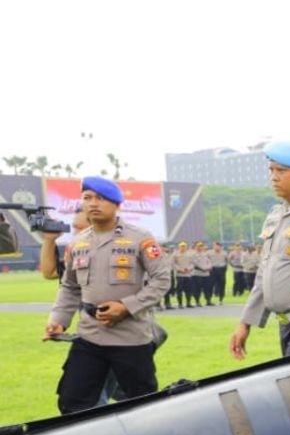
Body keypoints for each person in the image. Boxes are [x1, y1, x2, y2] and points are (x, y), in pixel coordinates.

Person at [44, 176, 171, 413]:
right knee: (72, 401)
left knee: (143, 403)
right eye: (87, 198)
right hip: (90, 335)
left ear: (116, 204)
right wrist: (58, 321)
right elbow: (70, 287)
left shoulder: (140, 238)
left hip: (131, 337)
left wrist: (126, 307)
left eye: (101, 198)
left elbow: (162, 280)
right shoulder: (78, 242)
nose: (93, 203)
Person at [231, 141, 290, 360]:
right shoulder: (277, 214)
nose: (273, 177)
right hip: (285, 324)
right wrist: (245, 323)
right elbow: (265, 272)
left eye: (281, 171)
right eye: (271, 170)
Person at [40, 209, 90, 280]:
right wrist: (49, 239)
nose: (75, 233)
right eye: (75, 228)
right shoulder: (78, 254)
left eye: (80, 228)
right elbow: (50, 273)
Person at [173, 241, 196, 307]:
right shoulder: (175, 254)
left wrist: (189, 268)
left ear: (186, 247)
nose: (183, 248)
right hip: (180, 275)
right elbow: (173, 264)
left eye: (184, 246)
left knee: (188, 289)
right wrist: (179, 269)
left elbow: (192, 263)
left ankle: (188, 303)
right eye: (181, 246)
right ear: (179, 247)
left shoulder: (189, 254)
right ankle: (180, 303)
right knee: (179, 290)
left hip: (188, 274)